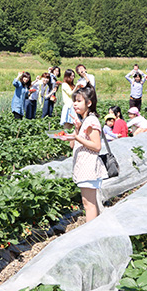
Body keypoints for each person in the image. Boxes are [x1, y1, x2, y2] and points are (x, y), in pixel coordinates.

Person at [58, 85, 107, 222]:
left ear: (89, 103)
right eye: (74, 100)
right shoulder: (84, 121)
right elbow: (73, 145)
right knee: (89, 203)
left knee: (89, 205)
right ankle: (93, 234)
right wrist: (77, 129)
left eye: (79, 101)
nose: (75, 104)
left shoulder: (91, 120)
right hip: (83, 167)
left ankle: (91, 236)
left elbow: (97, 146)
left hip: (89, 167)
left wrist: (76, 136)